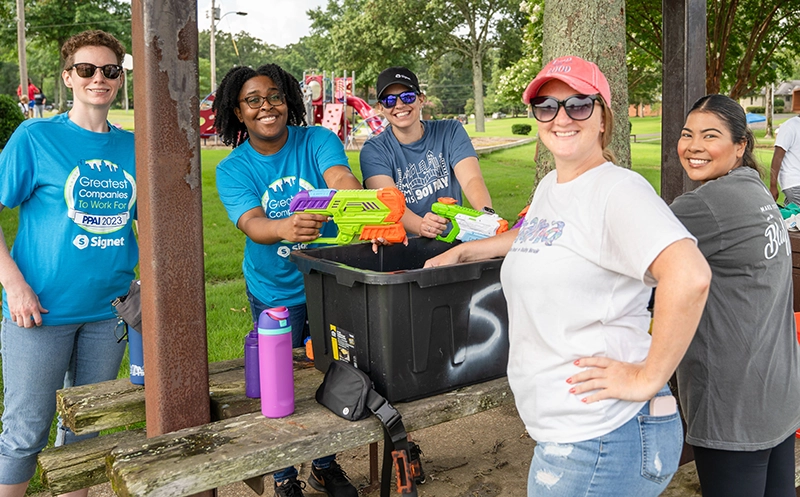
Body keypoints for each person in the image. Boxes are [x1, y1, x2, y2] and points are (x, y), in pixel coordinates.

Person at [424, 55, 711, 496]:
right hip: (570, 434)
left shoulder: (618, 191)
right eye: (547, 106)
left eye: (578, 104)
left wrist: (648, 376)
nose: (561, 117)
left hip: (601, 436)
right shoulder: (552, 187)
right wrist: (467, 251)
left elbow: (689, 275)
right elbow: (540, 237)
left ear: (602, 118)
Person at [213, 63, 360, 497]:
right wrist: (284, 228)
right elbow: (253, 223)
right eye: (253, 100)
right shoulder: (233, 168)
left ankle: (324, 465)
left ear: (289, 100)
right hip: (274, 289)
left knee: (333, 372)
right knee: (280, 384)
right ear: (238, 112)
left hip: (328, 283)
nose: (266, 106)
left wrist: (353, 197)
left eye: (274, 96)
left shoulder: (316, 139)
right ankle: (282, 475)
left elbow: (338, 177)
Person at [0, 30, 137, 497]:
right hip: (39, 310)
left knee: (87, 430)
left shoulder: (134, 147)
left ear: (120, 78)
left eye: (109, 70)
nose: (98, 78)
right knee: (25, 432)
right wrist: (12, 282)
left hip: (108, 311)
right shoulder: (36, 137)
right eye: (86, 69)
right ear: (68, 76)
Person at [670, 94, 800, 497]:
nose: (694, 145)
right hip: (776, 396)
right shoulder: (755, 189)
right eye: (687, 134)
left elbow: (625, 245)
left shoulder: (706, 205)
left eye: (710, 136)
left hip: (734, 406)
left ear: (740, 145)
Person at [360, 66, 493, 238]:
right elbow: (389, 203)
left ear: (421, 99)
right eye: (389, 101)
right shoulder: (374, 150)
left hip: (452, 240)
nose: (400, 105)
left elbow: (471, 180)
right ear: (380, 107)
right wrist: (423, 226)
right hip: (403, 246)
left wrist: (487, 217)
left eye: (407, 97)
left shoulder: (450, 131)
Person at [769, 112, 800, 204]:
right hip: (795, 183)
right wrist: (773, 185)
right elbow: (777, 157)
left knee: (792, 216)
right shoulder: (790, 126)